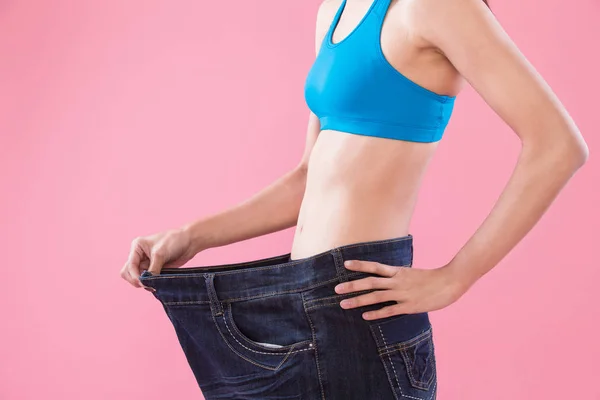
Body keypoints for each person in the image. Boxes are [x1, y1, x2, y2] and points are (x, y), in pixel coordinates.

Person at [120, 0, 588, 398]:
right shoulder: (334, 10)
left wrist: (456, 277)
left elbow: (559, 145)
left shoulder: (436, 6)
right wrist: (191, 236)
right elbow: (306, 180)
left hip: (362, 308)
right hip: (298, 299)